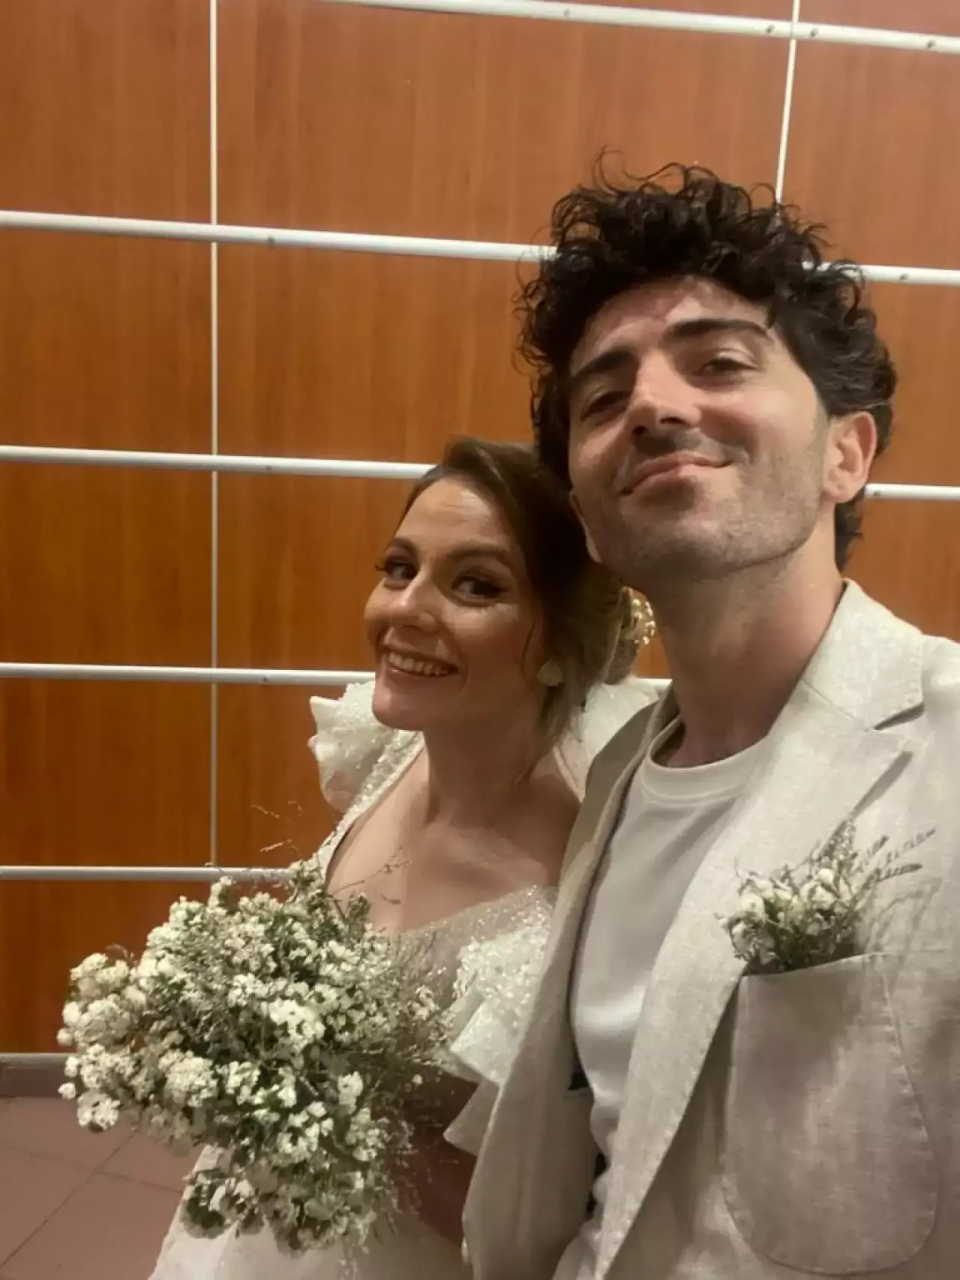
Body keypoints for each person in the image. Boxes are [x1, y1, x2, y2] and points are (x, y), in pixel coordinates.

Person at [463, 165, 960, 1280]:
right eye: (603, 400)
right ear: (588, 518)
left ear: (848, 452)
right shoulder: (617, 775)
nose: (652, 405)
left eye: (720, 362)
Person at [149, 436, 658, 1280]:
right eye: (399, 568)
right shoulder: (390, 749)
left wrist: (325, 1101)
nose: (406, 609)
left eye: (476, 585)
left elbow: (532, 1227)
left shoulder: (567, 903)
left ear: (563, 645)